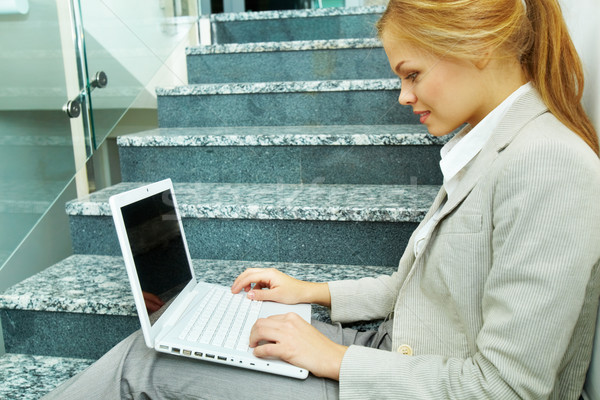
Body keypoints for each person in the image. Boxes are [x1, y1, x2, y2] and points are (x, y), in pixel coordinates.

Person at [43, 0, 600, 398]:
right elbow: (422, 288)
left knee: (145, 360)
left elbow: (506, 388)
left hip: (404, 378)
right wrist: (307, 292)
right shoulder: (489, 146)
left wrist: (333, 359)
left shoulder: (548, 162)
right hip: (396, 351)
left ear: (478, 45)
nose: (403, 96)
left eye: (411, 74)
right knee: (205, 333)